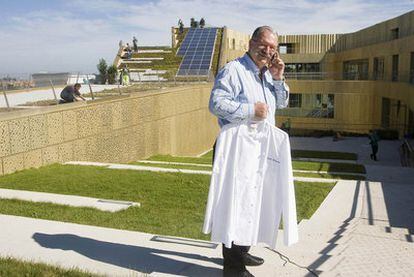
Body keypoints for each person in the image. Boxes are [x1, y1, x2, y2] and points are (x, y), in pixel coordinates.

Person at [205, 26, 290, 277]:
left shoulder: (266, 74)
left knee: (253, 203)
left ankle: (242, 250)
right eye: (263, 44)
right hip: (236, 151)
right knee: (234, 206)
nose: (267, 50)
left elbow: (282, 103)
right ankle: (233, 268)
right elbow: (216, 104)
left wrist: (277, 77)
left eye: (273, 47)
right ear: (251, 43)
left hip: (259, 150)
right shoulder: (234, 70)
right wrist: (251, 110)